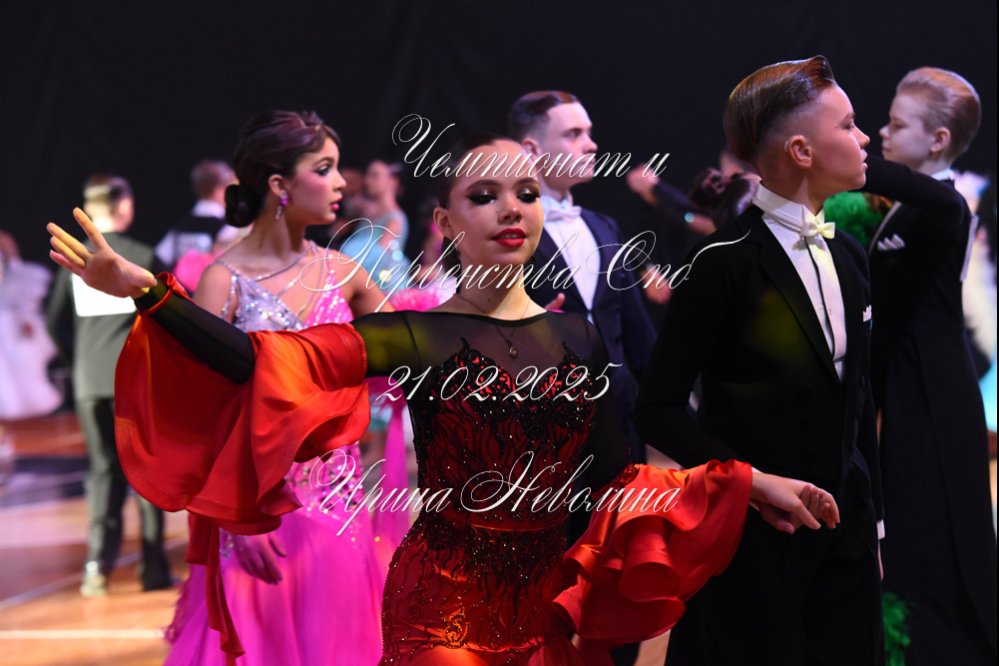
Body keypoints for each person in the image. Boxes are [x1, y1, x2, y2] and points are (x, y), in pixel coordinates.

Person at [49, 134, 841, 665]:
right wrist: (148, 292)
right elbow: (259, 362)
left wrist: (745, 481)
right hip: (441, 614)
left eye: (525, 192)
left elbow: (611, 481)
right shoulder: (415, 335)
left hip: (543, 616)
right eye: (484, 195)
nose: (511, 209)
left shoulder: (578, 338)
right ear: (445, 221)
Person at [635, 56, 884, 665]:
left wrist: (874, 525)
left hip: (844, 541)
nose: (864, 138)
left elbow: (859, 400)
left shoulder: (850, 255)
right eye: (848, 125)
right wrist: (752, 486)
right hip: (752, 543)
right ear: (801, 150)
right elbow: (658, 409)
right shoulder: (723, 261)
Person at [163, 111, 389, 666]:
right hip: (255, 511)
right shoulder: (223, 281)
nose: (341, 182)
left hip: (338, 508)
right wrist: (236, 518)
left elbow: (415, 345)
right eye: (325, 168)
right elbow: (201, 416)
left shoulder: (344, 273)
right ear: (279, 185)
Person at [869, 67, 996, 666]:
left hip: (934, 391)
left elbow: (933, 202)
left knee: (933, 526)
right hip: (906, 382)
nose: (880, 133)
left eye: (896, 125)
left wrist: (832, 156)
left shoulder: (946, 205)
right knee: (910, 524)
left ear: (939, 139)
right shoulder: (903, 207)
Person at [508, 91, 655, 475]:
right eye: (573, 134)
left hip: (621, 428)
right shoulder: (506, 232)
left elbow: (637, 333)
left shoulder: (604, 227)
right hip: (543, 436)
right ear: (532, 149)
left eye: (588, 132)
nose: (591, 145)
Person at [45, 175, 172, 597]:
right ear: (124, 207)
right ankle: (153, 569)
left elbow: (54, 322)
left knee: (101, 471)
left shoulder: (73, 263)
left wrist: (79, 364)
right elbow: (167, 319)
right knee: (145, 470)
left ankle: (96, 567)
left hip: (89, 385)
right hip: (133, 382)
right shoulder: (140, 256)